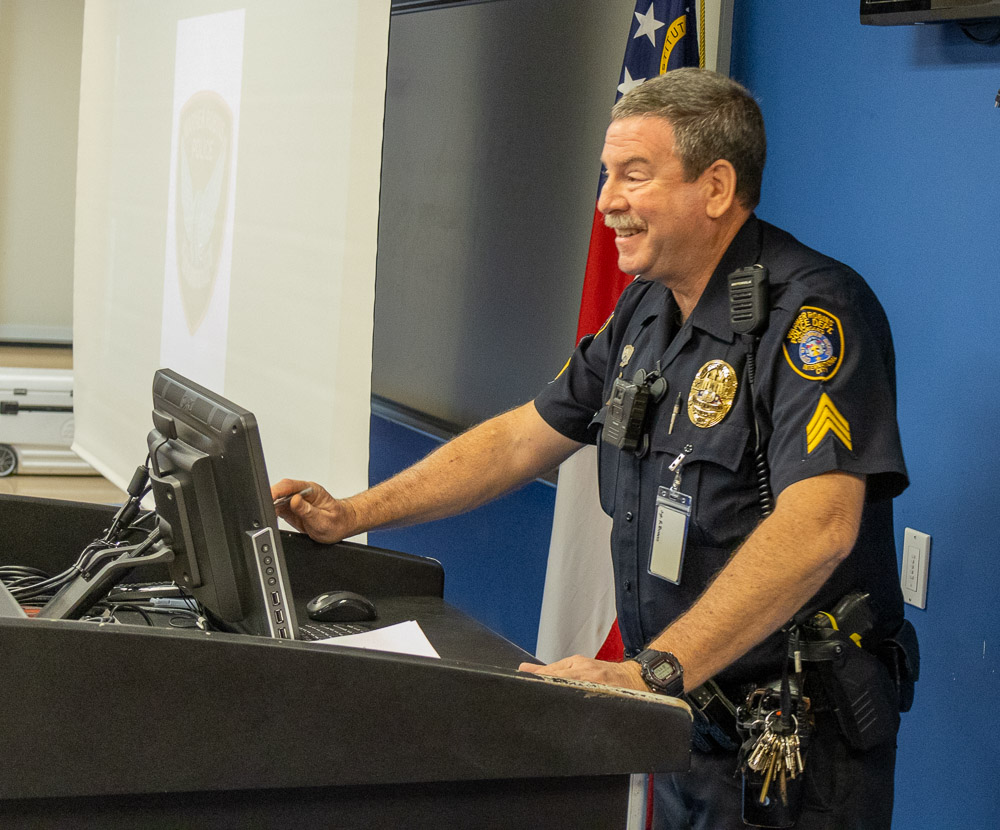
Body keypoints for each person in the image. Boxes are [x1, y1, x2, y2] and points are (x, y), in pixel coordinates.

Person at [273, 68, 909, 829]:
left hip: (790, 749)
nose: (606, 201)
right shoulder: (646, 308)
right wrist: (352, 514)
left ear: (715, 187)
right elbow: (521, 439)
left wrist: (653, 673)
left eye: (634, 175)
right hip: (688, 721)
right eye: (607, 175)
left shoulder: (811, 314)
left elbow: (820, 526)